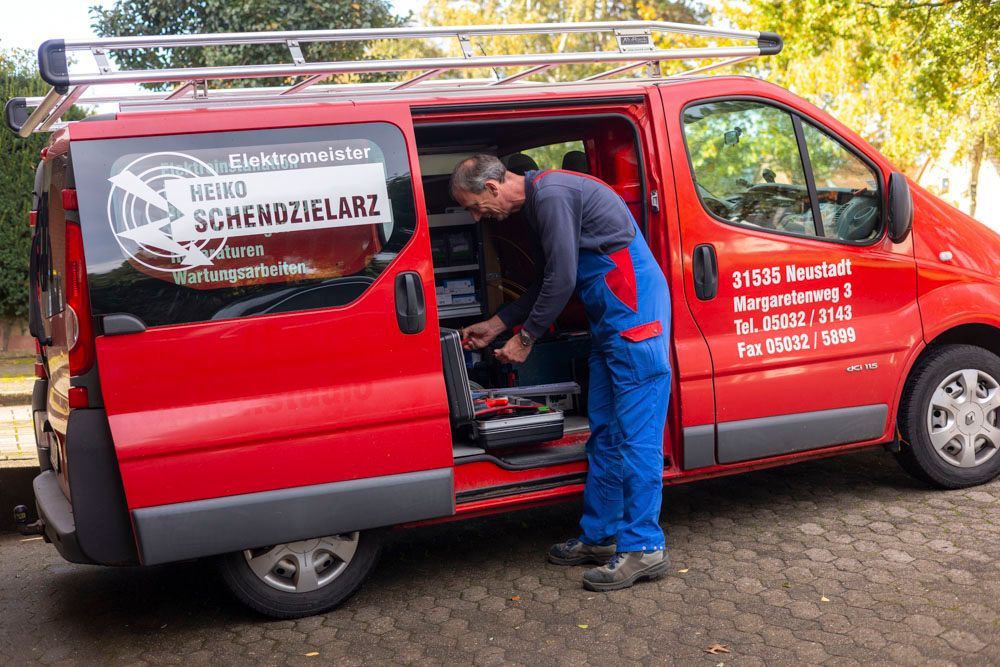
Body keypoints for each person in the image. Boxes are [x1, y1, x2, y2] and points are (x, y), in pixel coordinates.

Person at [450, 154, 672, 592]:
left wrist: (526, 338)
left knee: (636, 438)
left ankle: (645, 547)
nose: (477, 217)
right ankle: (601, 537)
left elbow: (564, 276)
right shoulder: (540, 201)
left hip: (633, 320)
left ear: (493, 187)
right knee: (605, 431)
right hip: (611, 322)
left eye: (474, 206)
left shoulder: (551, 195)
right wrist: (499, 324)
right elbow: (549, 277)